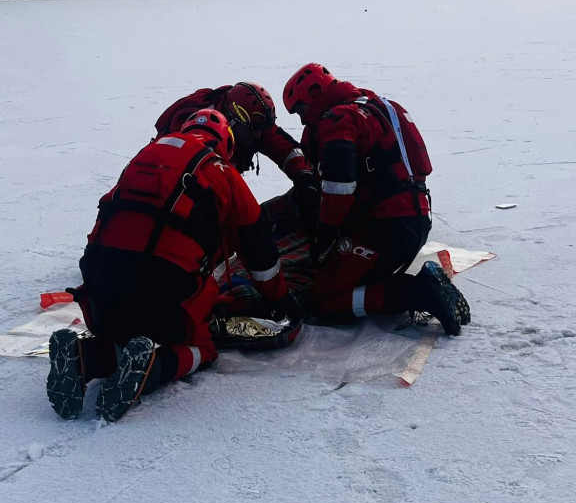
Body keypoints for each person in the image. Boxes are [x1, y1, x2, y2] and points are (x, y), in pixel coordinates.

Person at [47, 110, 301, 423]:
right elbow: (258, 250)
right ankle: (152, 366)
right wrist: (280, 301)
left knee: (124, 335)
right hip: (164, 290)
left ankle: (81, 358)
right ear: (226, 143)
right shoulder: (222, 171)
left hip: (99, 288)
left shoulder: (142, 158)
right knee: (202, 348)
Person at [282, 63, 470, 335]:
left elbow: (338, 189)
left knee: (323, 299)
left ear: (314, 95)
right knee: (353, 275)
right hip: (415, 221)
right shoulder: (380, 105)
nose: (302, 120)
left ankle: (416, 293)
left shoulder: (340, 120)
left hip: (384, 229)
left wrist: (326, 236)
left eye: (300, 110)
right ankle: (402, 286)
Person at [155, 82, 320, 231]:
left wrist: (303, 176)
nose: (257, 136)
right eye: (253, 130)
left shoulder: (252, 120)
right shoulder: (195, 136)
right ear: (232, 123)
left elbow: (281, 146)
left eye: (260, 129)